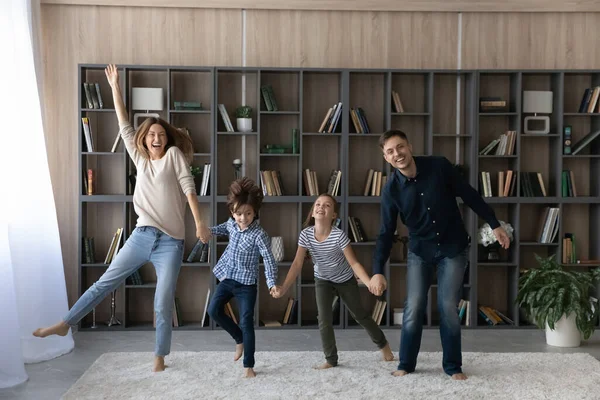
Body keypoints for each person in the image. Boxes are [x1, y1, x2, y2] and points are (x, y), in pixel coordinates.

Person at [33, 64, 208, 373]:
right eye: (151, 134)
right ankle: (64, 323)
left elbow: (190, 190)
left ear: (167, 139)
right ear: (145, 139)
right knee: (104, 282)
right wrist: (114, 86)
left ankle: (159, 356)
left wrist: (199, 223)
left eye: (161, 134)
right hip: (142, 235)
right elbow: (124, 123)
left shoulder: (173, 157)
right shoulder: (139, 159)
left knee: (163, 299)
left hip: (171, 243)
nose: (156, 137)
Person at [369, 130, 510, 380]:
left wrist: (494, 223)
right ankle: (407, 364)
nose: (397, 154)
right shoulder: (391, 190)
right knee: (413, 306)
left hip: (452, 247)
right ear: (385, 157)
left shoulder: (439, 166)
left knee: (447, 306)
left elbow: (469, 195)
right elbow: (385, 232)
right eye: (390, 151)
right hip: (420, 251)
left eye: (400, 147)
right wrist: (378, 269)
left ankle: (453, 366)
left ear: (409, 146)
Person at [273, 193, 394, 369]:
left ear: (334, 215)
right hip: (322, 280)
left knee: (360, 315)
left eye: (327, 205)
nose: (321, 207)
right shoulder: (306, 235)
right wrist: (284, 287)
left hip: (345, 280)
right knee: (324, 319)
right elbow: (297, 264)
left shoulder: (339, 236)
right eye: (318, 204)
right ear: (313, 212)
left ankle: (384, 345)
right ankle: (331, 359)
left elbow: (354, 263)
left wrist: (368, 283)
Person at [201, 177, 278, 378]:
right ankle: (239, 340)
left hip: (246, 285)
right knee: (213, 310)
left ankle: (249, 366)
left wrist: (271, 283)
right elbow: (221, 228)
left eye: (248, 213)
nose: (243, 218)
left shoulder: (259, 234)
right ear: (232, 212)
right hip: (227, 278)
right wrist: (208, 231)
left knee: (246, 322)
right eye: (238, 213)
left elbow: (269, 260)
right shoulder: (231, 224)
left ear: (255, 212)